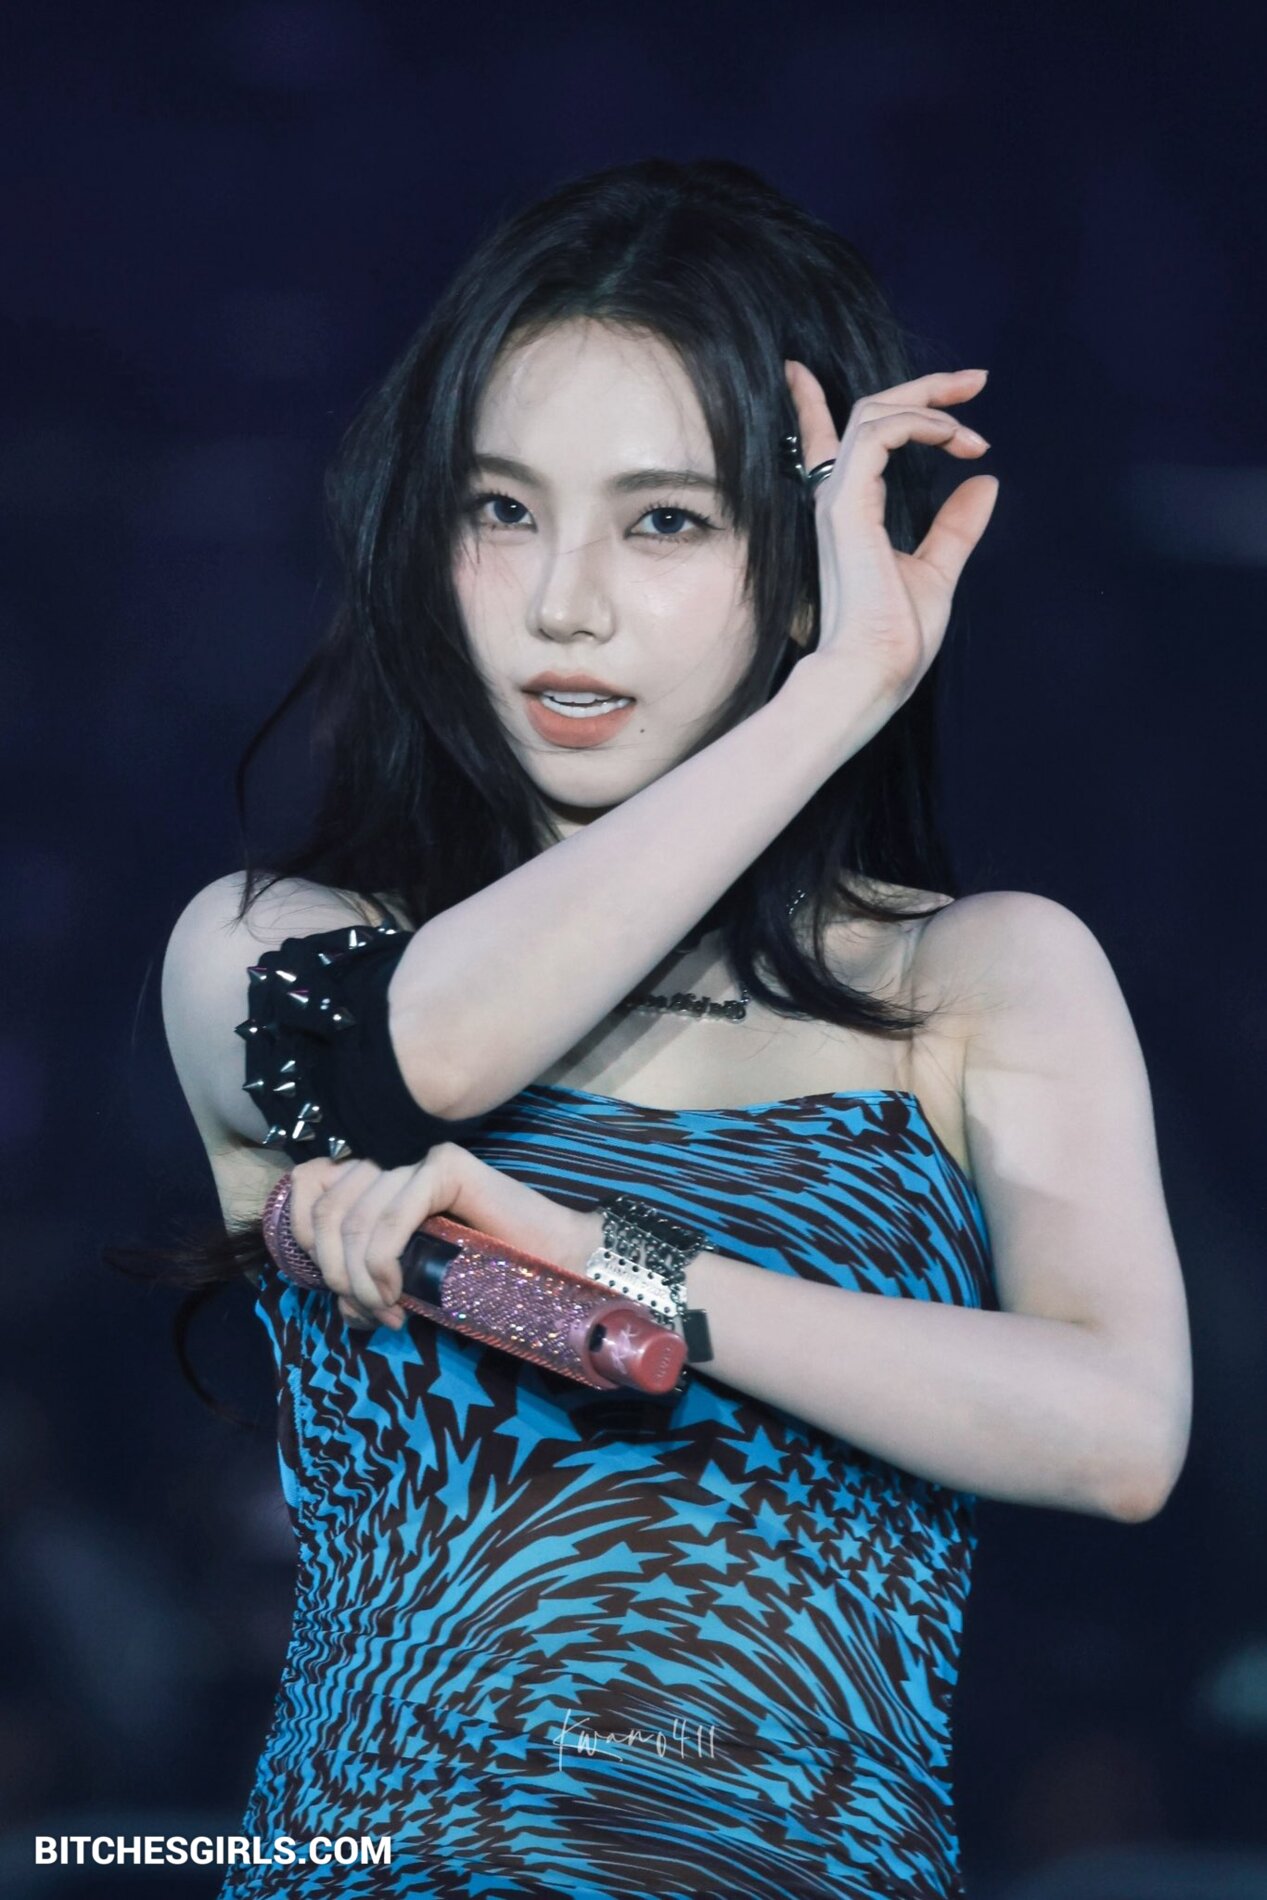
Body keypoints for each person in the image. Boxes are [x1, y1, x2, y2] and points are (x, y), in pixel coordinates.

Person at [157, 157, 1192, 1900]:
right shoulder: (272, 947)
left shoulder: (981, 979)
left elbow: (1116, 1435)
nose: (565, 602)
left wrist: (607, 1261)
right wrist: (831, 697)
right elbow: (435, 1059)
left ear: (804, 564)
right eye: (501, 509)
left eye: (665, 523)